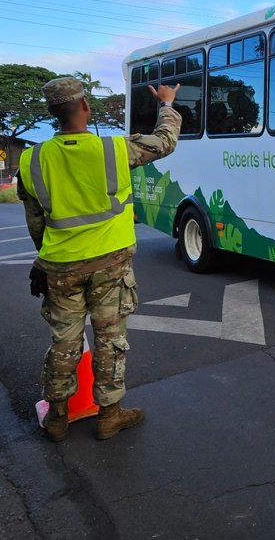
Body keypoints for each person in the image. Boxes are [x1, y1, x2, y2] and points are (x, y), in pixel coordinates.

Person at [17, 76, 181, 442]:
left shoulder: (32, 159)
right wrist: (166, 105)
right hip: (110, 264)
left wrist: (44, 260)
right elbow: (165, 142)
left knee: (64, 341)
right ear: (85, 106)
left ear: (52, 113)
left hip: (59, 267)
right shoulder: (114, 150)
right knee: (110, 338)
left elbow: (36, 223)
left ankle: (57, 418)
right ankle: (110, 415)